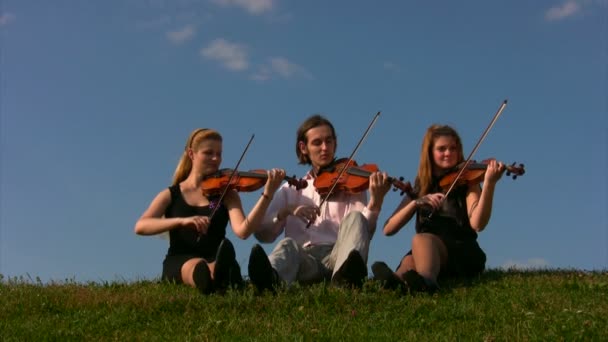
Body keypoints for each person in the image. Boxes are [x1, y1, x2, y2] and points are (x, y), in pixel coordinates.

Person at [247, 114, 392, 292]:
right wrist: (285, 212)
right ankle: (270, 279)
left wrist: (376, 203)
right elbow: (263, 235)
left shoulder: (351, 183)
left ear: (335, 143)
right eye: (317, 143)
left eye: (329, 141)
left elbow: (364, 231)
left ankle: (346, 279)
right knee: (287, 245)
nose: (325, 148)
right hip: (304, 261)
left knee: (355, 217)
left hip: (338, 256)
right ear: (303, 148)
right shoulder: (290, 189)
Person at [134, 128, 285, 294]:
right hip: (180, 259)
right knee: (195, 265)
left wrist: (267, 194)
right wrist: (182, 221)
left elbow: (243, 230)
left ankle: (220, 276)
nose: (216, 159)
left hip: (216, 256)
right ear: (191, 154)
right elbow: (141, 226)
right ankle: (216, 278)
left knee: (214, 264)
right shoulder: (172, 194)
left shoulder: (225, 194)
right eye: (208, 153)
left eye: (219, 154)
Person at [372, 124, 506, 294]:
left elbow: (478, 224)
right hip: (429, 251)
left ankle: (427, 282)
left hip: (462, 250)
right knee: (409, 261)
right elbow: (388, 229)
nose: (448, 153)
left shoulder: (468, 183)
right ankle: (396, 282)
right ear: (429, 152)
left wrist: (489, 184)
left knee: (420, 240)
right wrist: (416, 203)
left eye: (453, 148)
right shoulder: (422, 186)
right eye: (442, 149)